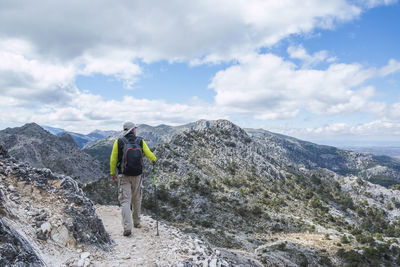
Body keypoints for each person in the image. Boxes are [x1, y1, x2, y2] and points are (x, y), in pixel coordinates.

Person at [110, 122, 157, 237]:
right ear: (133, 130)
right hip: (138, 175)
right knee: (137, 198)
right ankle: (137, 222)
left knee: (125, 200)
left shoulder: (119, 141)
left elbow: (113, 159)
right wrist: (154, 159)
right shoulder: (140, 141)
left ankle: (127, 227)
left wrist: (112, 173)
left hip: (123, 175)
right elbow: (149, 154)